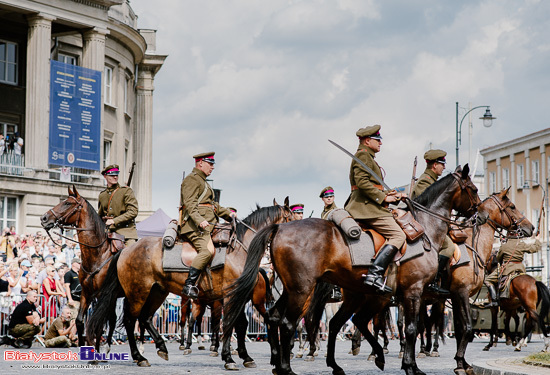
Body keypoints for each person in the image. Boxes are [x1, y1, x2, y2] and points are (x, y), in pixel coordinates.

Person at [344, 124, 406, 294]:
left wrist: (390, 195)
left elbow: (371, 185)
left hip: (370, 204)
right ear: (367, 140)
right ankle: (375, 274)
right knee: (398, 235)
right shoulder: (363, 157)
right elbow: (362, 183)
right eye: (378, 140)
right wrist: (383, 197)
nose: (380, 143)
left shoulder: (368, 157)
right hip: (365, 208)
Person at [179, 152, 235, 299]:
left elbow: (213, 206)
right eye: (210, 164)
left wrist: (229, 214)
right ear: (200, 163)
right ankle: (189, 285)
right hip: (194, 226)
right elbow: (189, 204)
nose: (213, 167)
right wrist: (199, 220)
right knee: (207, 251)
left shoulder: (203, 182)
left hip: (208, 225)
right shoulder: (192, 179)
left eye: (213, 164)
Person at [410, 149, 451, 295]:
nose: (444, 167)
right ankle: (433, 281)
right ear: (434, 165)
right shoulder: (425, 182)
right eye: (442, 164)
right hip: (425, 226)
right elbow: (426, 208)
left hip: (432, 226)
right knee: (449, 247)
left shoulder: (433, 181)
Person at [484, 235, 542, 307]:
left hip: (507, 269)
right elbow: (535, 248)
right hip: (520, 269)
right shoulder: (521, 244)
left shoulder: (504, 246)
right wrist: (537, 240)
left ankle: (494, 301)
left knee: (488, 280)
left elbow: (498, 258)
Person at [98, 164, 139, 246]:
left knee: (131, 254)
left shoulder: (126, 191)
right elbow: (100, 216)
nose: (115, 177)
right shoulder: (102, 195)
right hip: (109, 233)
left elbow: (133, 211)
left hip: (126, 232)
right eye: (112, 175)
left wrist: (114, 221)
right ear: (105, 176)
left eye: (116, 175)